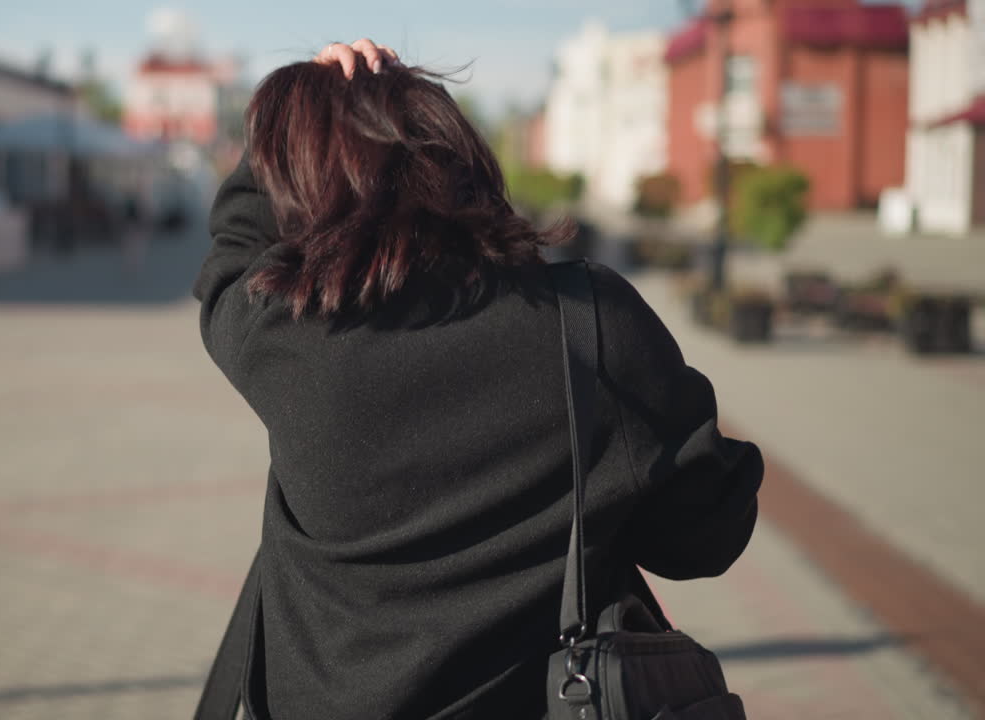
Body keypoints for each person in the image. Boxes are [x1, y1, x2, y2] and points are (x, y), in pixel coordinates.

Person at [194, 39, 763, 720]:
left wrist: (288, 123)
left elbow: (231, 254)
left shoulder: (288, 339)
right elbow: (707, 536)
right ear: (460, 158)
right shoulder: (587, 323)